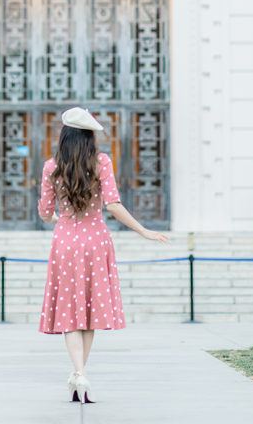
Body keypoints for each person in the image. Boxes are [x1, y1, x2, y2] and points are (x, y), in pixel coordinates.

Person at [38, 107, 170, 403]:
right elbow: (113, 205)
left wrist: (56, 216)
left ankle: (79, 373)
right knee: (88, 311)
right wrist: (143, 230)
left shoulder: (51, 166)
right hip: (95, 240)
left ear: (64, 136)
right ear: (88, 137)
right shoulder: (101, 162)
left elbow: (45, 212)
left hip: (65, 241)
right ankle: (80, 374)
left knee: (70, 312)